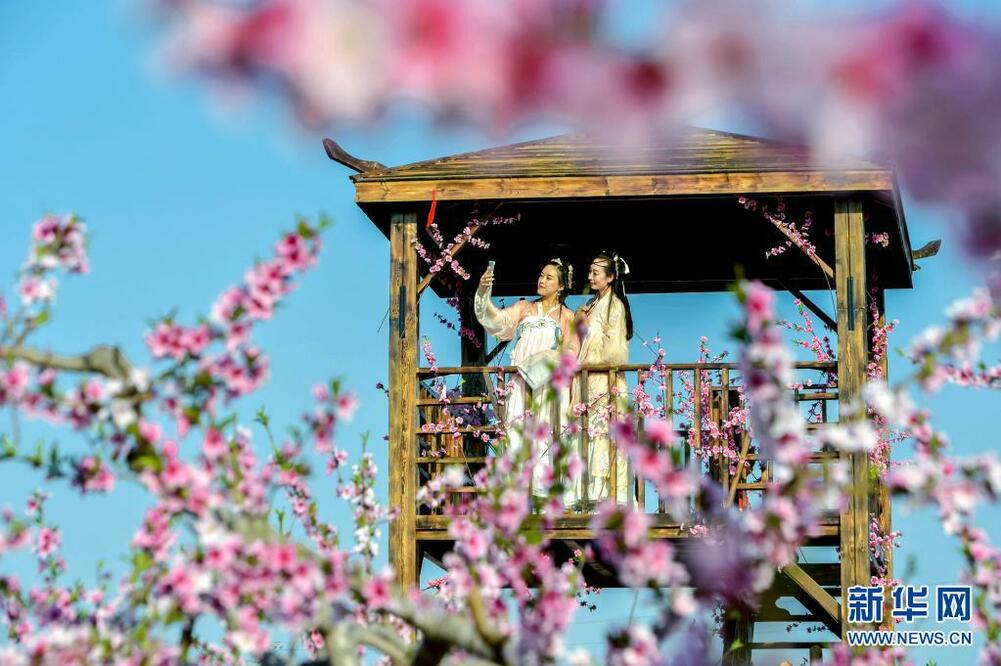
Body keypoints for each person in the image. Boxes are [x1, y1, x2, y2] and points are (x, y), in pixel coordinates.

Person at [474, 259, 579, 496]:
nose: (541, 280)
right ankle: (516, 492)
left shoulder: (568, 317)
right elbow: (496, 321)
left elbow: (572, 351)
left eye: (549, 277)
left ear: (561, 286)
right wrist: (483, 291)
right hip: (521, 380)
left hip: (550, 382)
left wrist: (546, 361)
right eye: (541, 275)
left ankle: (544, 493)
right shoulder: (524, 308)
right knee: (517, 428)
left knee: (547, 429)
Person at [570, 251, 633, 507]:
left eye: (595, 273)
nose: (590, 277)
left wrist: (583, 364)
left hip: (604, 381)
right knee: (587, 434)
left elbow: (615, 353)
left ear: (609, 277)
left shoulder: (614, 307)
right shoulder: (593, 305)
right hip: (587, 381)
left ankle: (603, 498)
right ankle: (584, 496)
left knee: (602, 435)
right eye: (590, 272)